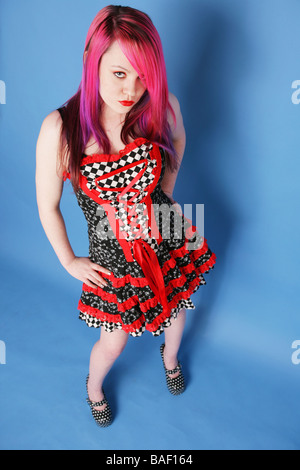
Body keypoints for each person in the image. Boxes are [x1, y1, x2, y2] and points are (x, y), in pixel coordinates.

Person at [35, 5, 216, 428]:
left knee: (177, 309)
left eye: (142, 75)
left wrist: (165, 194)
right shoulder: (61, 130)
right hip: (114, 257)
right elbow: (48, 205)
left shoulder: (159, 105)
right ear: (92, 61)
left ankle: (170, 360)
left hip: (167, 235)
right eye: (119, 73)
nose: (131, 89)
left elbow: (178, 138)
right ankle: (94, 386)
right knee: (112, 344)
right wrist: (68, 260)